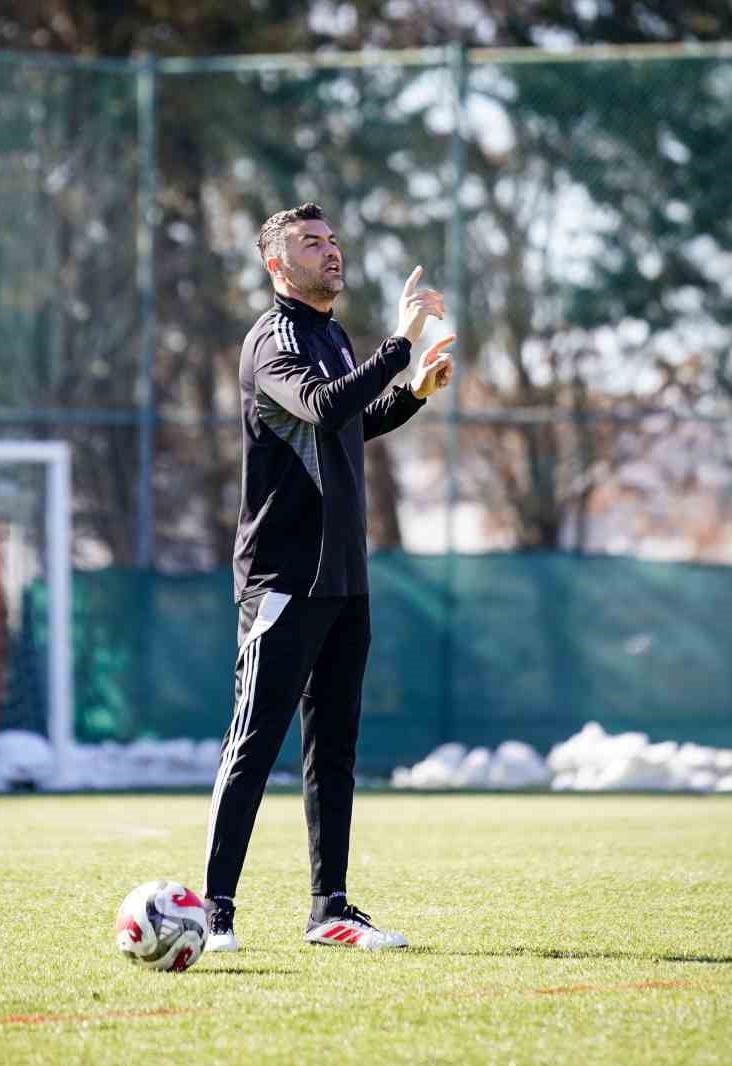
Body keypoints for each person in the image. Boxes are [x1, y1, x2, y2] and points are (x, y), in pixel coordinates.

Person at [202, 202, 454, 952]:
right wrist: (402, 342)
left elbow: (350, 419)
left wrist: (412, 393)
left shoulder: (333, 335)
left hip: (345, 579)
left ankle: (330, 910)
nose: (330, 250)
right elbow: (316, 404)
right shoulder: (272, 340)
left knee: (334, 748)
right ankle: (215, 913)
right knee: (252, 743)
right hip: (283, 580)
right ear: (276, 265)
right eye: (311, 243)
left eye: (333, 239)